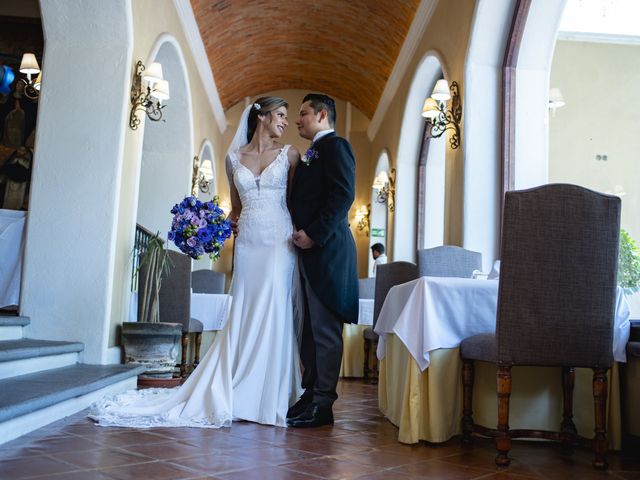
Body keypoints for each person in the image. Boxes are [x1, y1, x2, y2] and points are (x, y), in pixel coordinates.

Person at [90, 96, 302, 428]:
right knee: (245, 308)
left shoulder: (290, 155)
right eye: (280, 114)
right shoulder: (234, 159)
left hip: (278, 240)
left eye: (287, 117)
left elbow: (293, 202)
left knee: (274, 306)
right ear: (261, 116)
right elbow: (236, 208)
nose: (285, 122)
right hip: (247, 242)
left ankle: (267, 395)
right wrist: (207, 228)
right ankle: (236, 386)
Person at [287, 93, 359, 428]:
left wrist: (313, 233)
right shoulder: (314, 152)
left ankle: (324, 404)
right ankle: (310, 393)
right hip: (308, 251)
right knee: (309, 333)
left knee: (325, 330)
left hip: (327, 251)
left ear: (321, 114)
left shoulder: (337, 146)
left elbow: (343, 194)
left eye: (302, 113)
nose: (297, 119)